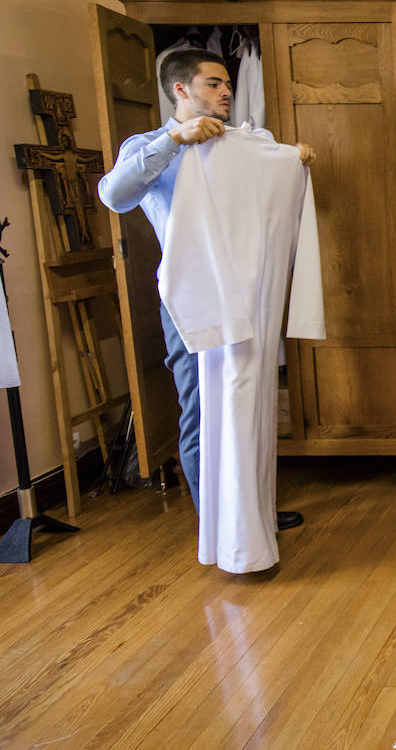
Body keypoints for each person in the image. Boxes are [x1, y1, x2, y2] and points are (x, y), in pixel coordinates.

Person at [97, 48, 311, 533]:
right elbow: (114, 195)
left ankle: (251, 512)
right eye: (214, 83)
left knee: (247, 401)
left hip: (247, 291)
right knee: (200, 405)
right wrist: (176, 139)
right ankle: (216, 524)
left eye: (227, 83)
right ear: (180, 89)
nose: (227, 91)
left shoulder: (248, 141)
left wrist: (293, 162)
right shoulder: (148, 144)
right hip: (192, 294)